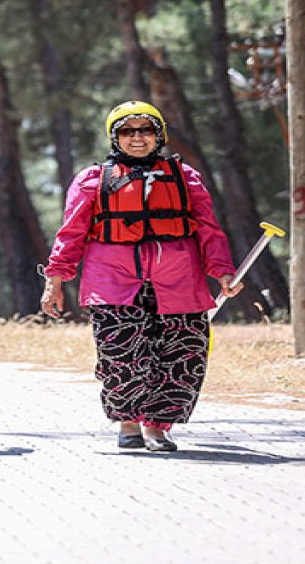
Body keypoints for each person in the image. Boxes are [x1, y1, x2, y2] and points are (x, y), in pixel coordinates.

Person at [40, 101, 241, 452]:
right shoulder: (93, 179)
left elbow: (209, 229)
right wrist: (55, 279)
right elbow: (71, 232)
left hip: (179, 278)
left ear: (158, 134)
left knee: (183, 353)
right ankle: (129, 424)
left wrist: (222, 271)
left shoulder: (184, 176)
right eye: (127, 131)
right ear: (114, 137)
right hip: (113, 280)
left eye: (145, 130)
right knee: (121, 353)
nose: (137, 137)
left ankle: (158, 428)